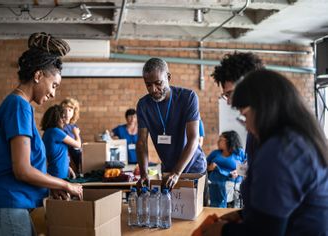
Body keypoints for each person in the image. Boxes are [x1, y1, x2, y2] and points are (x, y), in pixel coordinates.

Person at [0, 32, 83, 236]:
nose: (53, 93)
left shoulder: (19, 106)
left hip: (8, 207)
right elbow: (22, 170)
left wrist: (51, 186)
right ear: (38, 75)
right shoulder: (19, 106)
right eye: (54, 85)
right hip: (5, 205)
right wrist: (65, 184)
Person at [206, 69, 328, 235]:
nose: (247, 126)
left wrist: (221, 230)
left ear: (264, 108)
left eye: (245, 116)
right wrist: (241, 214)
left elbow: (266, 232)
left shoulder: (279, 152)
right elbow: (282, 205)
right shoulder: (300, 140)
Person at [136, 57, 207, 191]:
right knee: (170, 211)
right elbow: (141, 143)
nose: (153, 90)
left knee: (197, 211)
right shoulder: (144, 105)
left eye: (158, 83)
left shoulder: (188, 97)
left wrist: (177, 172)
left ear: (168, 77)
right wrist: (144, 174)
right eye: (148, 85)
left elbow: (193, 139)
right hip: (169, 170)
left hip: (193, 169)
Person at [41, 104, 82, 179]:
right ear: (56, 118)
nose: (64, 119)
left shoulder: (49, 132)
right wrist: (76, 133)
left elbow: (58, 155)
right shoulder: (55, 132)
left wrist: (68, 168)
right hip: (58, 174)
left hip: (57, 172)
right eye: (62, 117)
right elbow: (78, 145)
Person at [207, 131, 245, 208]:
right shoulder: (215, 153)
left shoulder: (239, 153)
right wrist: (210, 168)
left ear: (229, 141)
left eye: (220, 139)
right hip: (215, 187)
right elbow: (204, 167)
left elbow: (246, 168)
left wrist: (237, 172)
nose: (218, 141)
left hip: (232, 188)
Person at [60, 97, 83, 175]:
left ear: (74, 112)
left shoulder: (74, 126)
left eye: (70, 110)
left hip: (78, 158)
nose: (67, 113)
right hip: (68, 161)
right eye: (64, 110)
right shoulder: (60, 127)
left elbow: (79, 145)